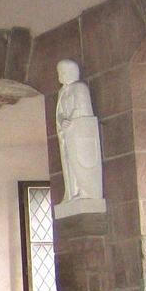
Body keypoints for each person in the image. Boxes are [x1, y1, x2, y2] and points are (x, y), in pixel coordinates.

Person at [54, 58, 103, 206]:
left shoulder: (80, 88)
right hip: (68, 134)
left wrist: (72, 120)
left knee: (79, 160)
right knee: (69, 162)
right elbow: (59, 113)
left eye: (62, 72)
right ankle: (72, 191)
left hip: (78, 133)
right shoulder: (62, 92)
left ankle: (85, 190)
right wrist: (62, 120)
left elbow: (82, 109)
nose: (59, 75)